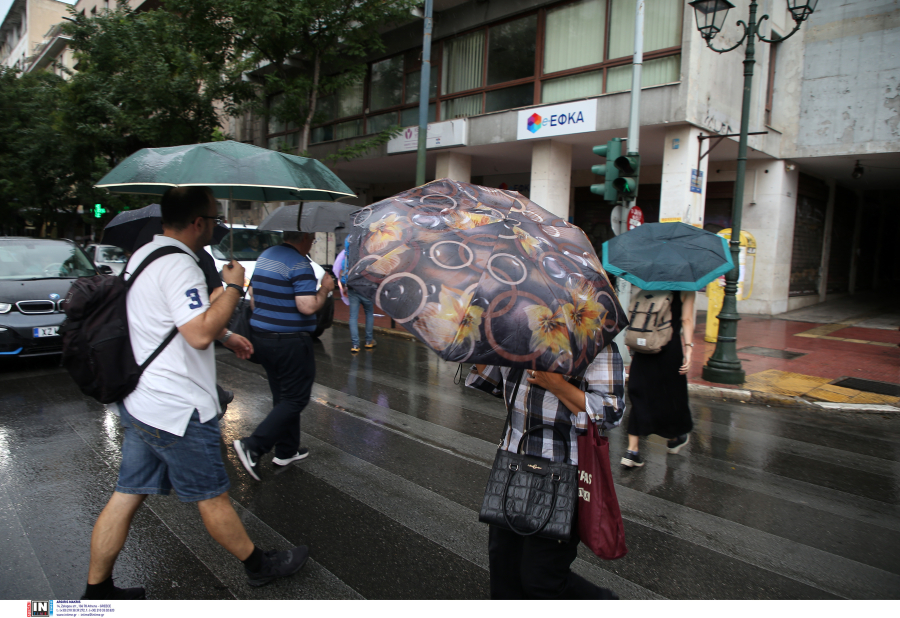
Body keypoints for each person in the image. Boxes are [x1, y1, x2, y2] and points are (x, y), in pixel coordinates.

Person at [82, 187, 309, 600]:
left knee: (126, 495)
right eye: (215, 216)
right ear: (198, 222)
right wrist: (234, 288)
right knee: (212, 496)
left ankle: (97, 592)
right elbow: (197, 332)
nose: (219, 224)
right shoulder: (180, 265)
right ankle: (260, 566)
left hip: (142, 402)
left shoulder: (144, 255)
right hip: (176, 408)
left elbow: (173, 318)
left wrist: (226, 333)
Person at [466, 344, 626, 600]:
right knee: (503, 572)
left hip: (561, 474)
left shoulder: (595, 343)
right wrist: (476, 348)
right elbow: (493, 382)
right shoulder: (516, 334)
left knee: (542, 580)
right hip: (512, 466)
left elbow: (611, 411)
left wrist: (557, 385)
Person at [233, 231, 334, 481]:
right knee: (296, 399)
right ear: (302, 238)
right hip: (290, 341)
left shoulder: (265, 256)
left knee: (283, 396)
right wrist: (324, 289)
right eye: (311, 238)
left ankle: (287, 450)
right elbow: (307, 306)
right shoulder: (300, 265)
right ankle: (254, 445)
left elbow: (254, 299)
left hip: (263, 337)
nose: (312, 242)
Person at [621, 291, 696, 468]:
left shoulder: (647, 285)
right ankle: (674, 437)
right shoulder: (686, 289)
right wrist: (689, 348)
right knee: (670, 395)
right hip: (669, 348)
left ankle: (632, 451)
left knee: (639, 394)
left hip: (644, 346)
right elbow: (686, 320)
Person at [342, 235, 375, 353]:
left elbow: (343, 264)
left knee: (353, 317)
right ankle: (368, 341)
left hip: (352, 286)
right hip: (366, 286)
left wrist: (344, 283)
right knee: (369, 313)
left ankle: (355, 345)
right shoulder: (370, 238)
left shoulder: (349, 239)